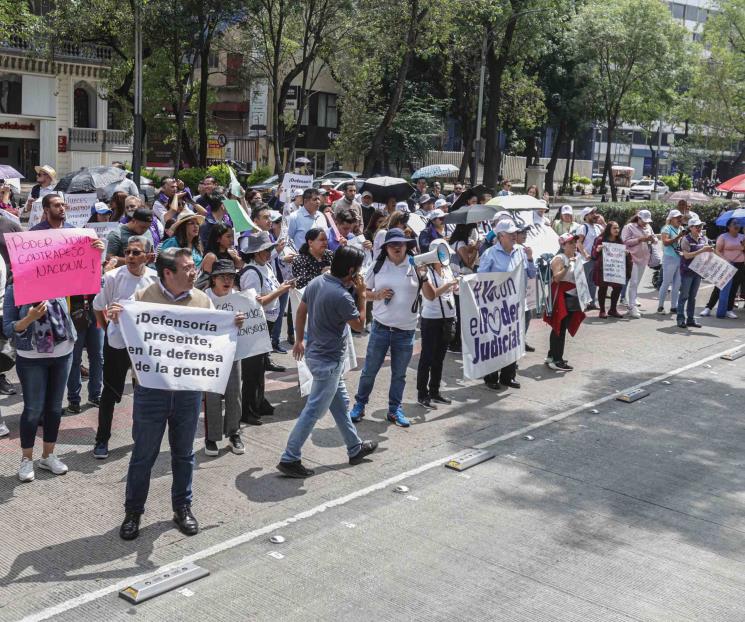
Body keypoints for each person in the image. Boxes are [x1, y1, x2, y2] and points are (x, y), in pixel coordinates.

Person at [114, 247, 242, 540]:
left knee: (183, 455)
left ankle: (182, 508)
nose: (193, 272)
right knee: (143, 455)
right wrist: (116, 320)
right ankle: (133, 512)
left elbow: (214, 338)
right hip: (152, 391)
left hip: (187, 391)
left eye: (192, 266)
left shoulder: (201, 299)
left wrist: (232, 326)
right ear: (168, 273)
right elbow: (121, 343)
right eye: (186, 268)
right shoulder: (142, 299)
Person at [5, 237, 104, 482]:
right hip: (31, 357)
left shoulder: (58, 281)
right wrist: (28, 319)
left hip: (62, 354)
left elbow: (87, 277)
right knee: (32, 410)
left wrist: (97, 254)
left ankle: (48, 456)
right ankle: (26, 459)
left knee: (53, 409)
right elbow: (9, 328)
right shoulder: (14, 289)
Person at [277, 246, 378, 477]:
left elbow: (301, 312)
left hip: (318, 356)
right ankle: (289, 457)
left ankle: (354, 447)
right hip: (328, 364)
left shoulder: (318, 281)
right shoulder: (342, 296)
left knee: (341, 405)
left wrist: (299, 339)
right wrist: (362, 294)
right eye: (358, 270)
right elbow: (360, 326)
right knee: (314, 411)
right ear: (351, 270)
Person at [91, 235, 158, 459]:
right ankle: (102, 440)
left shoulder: (156, 279)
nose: (130, 256)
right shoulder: (112, 277)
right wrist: (107, 325)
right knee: (110, 393)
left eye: (136, 252)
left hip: (144, 347)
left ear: (148, 256)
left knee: (143, 391)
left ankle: (140, 435)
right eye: (128, 252)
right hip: (117, 344)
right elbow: (98, 306)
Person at [348, 228, 423, 428]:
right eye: (392, 244)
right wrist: (378, 295)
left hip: (406, 331)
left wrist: (426, 275)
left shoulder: (416, 265)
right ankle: (360, 404)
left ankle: (394, 410)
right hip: (381, 328)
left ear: (407, 245)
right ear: (386, 247)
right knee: (370, 371)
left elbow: (430, 294)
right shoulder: (378, 265)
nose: (397, 247)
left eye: (401, 243)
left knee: (399, 374)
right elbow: (363, 292)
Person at [238, 231, 294, 425]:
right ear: (255, 253)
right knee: (252, 370)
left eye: (270, 248)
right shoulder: (252, 272)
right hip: (255, 325)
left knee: (260, 366)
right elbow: (256, 303)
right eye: (264, 250)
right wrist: (280, 290)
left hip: (266, 324)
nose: (269, 252)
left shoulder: (265, 267)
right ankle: (248, 409)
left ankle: (259, 401)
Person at [478, 220, 536, 390]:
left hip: (516, 304)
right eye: (510, 234)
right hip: (496, 306)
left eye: (514, 233)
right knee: (496, 341)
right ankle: (491, 376)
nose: (513, 236)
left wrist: (531, 258)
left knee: (513, 340)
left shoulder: (520, 251)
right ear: (500, 236)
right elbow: (482, 280)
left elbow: (531, 274)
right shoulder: (490, 254)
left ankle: (508, 376)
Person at [203, 260, 244, 456]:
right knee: (212, 395)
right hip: (210, 354)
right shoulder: (204, 298)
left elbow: (251, 324)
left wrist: (241, 322)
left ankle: (234, 433)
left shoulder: (239, 298)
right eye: (223, 277)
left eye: (231, 276)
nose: (227, 280)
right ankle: (212, 437)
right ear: (213, 279)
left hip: (233, 352)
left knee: (234, 393)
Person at [416, 239, 458, 408]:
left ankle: (435, 391)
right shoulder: (425, 271)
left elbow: (452, 289)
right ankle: (422, 393)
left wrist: (454, 285)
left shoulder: (447, 269)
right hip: (431, 318)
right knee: (427, 357)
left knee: (439, 358)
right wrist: (448, 285)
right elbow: (430, 295)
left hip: (447, 317)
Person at [544, 232, 585, 371]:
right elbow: (556, 278)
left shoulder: (573, 257)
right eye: (570, 243)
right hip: (561, 297)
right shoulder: (559, 258)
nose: (574, 245)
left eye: (574, 243)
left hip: (570, 297)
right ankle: (557, 360)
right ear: (563, 245)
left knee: (560, 328)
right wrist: (568, 266)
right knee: (559, 328)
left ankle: (552, 356)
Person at [64, 290, 104, 415]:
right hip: (74, 311)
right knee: (75, 359)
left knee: (98, 356)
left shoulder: (99, 270)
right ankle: (74, 400)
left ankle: (95, 395)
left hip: (95, 310)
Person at [700, 218, 745, 318]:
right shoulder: (723, 237)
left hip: (740, 265)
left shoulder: (743, 237)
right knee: (719, 287)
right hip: (726, 265)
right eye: (734, 224)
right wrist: (725, 259)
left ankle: (729, 309)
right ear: (728, 227)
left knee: (734, 288)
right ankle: (708, 308)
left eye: (738, 223)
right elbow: (717, 250)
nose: (736, 225)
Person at [676, 217, 713, 329]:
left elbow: (707, 254)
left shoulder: (703, 238)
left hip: (698, 271)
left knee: (693, 297)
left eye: (701, 226)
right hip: (687, 271)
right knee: (684, 296)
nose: (699, 228)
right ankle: (680, 319)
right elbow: (686, 256)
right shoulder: (685, 239)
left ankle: (690, 319)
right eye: (697, 226)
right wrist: (702, 250)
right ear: (690, 228)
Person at [621, 209, 655, 318]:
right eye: (643, 220)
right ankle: (631, 306)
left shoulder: (648, 227)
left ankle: (632, 301)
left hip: (644, 258)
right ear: (638, 218)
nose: (645, 223)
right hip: (632, 258)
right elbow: (624, 242)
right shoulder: (629, 227)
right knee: (634, 282)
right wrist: (640, 239)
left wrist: (652, 239)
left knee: (637, 282)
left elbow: (654, 239)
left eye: (647, 221)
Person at [592, 221, 627, 319]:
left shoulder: (619, 241)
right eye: (614, 228)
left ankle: (613, 309)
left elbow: (622, 253)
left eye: (618, 228)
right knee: (603, 288)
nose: (617, 230)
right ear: (609, 229)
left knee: (618, 287)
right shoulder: (600, 239)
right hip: (603, 268)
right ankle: (602, 310)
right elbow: (594, 255)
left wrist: (626, 253)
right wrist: (598, 250)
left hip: (616, 269)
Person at [576, 206, 605, 309]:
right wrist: (585, 254)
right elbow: (578, 242)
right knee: (583, 282)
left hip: (596, 259)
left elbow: (608, 233)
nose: (595, 215)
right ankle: (583, 303)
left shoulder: (598, 227)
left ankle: (591, 303)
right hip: (585, 259)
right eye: (592, 213)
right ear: (586, 216)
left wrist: (603, 222)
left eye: (595, 213)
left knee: (593, 282)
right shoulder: (583, 227)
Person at [657, 209, 685, 314]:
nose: (679, 219)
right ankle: (660, 306)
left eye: (680, 217)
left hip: (679, 259)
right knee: (666, 282)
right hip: (669, 258)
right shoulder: (666, 228)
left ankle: (674, 306)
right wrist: (678, 237)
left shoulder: (681, 228)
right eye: (677, 217)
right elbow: (665, 242)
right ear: (671, 219)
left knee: (677, 285)